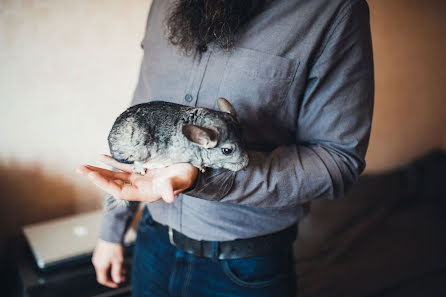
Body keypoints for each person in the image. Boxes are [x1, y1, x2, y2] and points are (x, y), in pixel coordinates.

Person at [77, 0, 374, 296]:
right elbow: (139, 116)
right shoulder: (163, 5)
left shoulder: (333, 9)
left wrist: (205, 176)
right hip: (151, 243)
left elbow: (338, 161)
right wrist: (111, 232)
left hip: (246, 267)